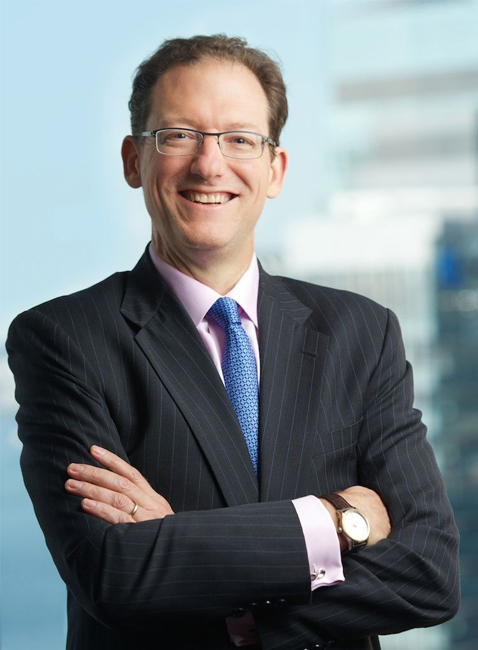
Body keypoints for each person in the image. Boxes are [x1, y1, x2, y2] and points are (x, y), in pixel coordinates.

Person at [7, 35, 460, 650]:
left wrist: (235, 599)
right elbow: (114, 573)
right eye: (179, 135)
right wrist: (335, 519)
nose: (209, 165)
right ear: (134, 160)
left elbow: (430, 573)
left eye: (241, 139)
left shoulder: (361, 332)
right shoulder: (63, 339)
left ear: (275, 170)